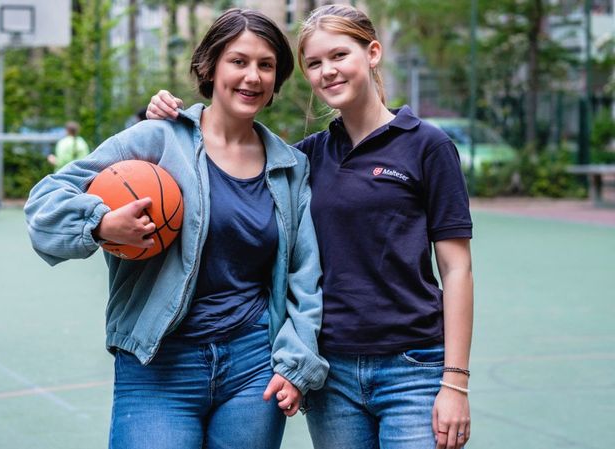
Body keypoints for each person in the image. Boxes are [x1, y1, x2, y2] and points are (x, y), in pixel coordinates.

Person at [146, 5, 474, 449]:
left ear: (373, 53)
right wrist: (171, 117)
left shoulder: (427, 146)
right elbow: (230, 167)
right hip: (331, 374)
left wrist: (455, 382)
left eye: (339, 55)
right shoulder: (302, 159)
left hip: (412, 367)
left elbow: (457, 269)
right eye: (314, 63)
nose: (328, 71)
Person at [25, 9, 327, 449]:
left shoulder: (290, 166)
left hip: (253, 367)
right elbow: (44, 202)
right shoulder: (157, 139)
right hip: (160, 364)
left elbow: (304, 275)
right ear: (210, 67)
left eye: (266, 65)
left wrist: (296, 364)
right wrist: (102, 224)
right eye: (238, 61)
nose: (252, 76)